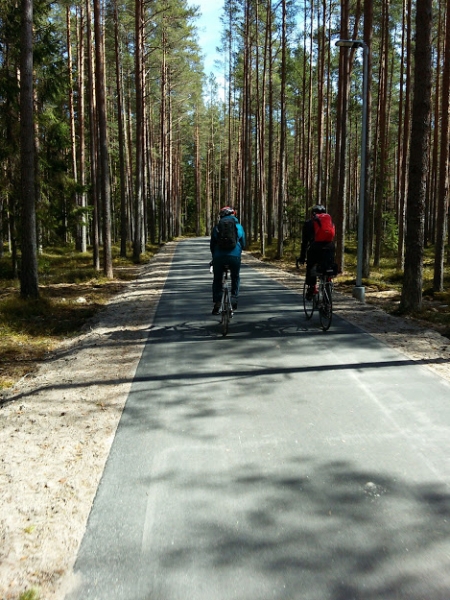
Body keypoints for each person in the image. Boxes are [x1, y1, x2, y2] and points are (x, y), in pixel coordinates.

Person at [210, 206, 246, 314]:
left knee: (217, 279)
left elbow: (212, 245)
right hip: (234, 257)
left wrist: (214, 257)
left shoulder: (217, 227)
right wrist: (238, 253)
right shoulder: (238, 227)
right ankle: (234, 297)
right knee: (235, 277)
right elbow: (243, 243)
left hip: (218, 257)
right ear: (233, 214)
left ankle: (217, 301)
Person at [297, 204, 336, 299]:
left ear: (313, 214)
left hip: (315, 248)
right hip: (329, 248)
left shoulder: (308, 223)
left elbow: (304, 243)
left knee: (311, 266)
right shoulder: (330, 222)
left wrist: (302, 258)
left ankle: (312, 287)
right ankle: (328, 279)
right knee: (328, 266)